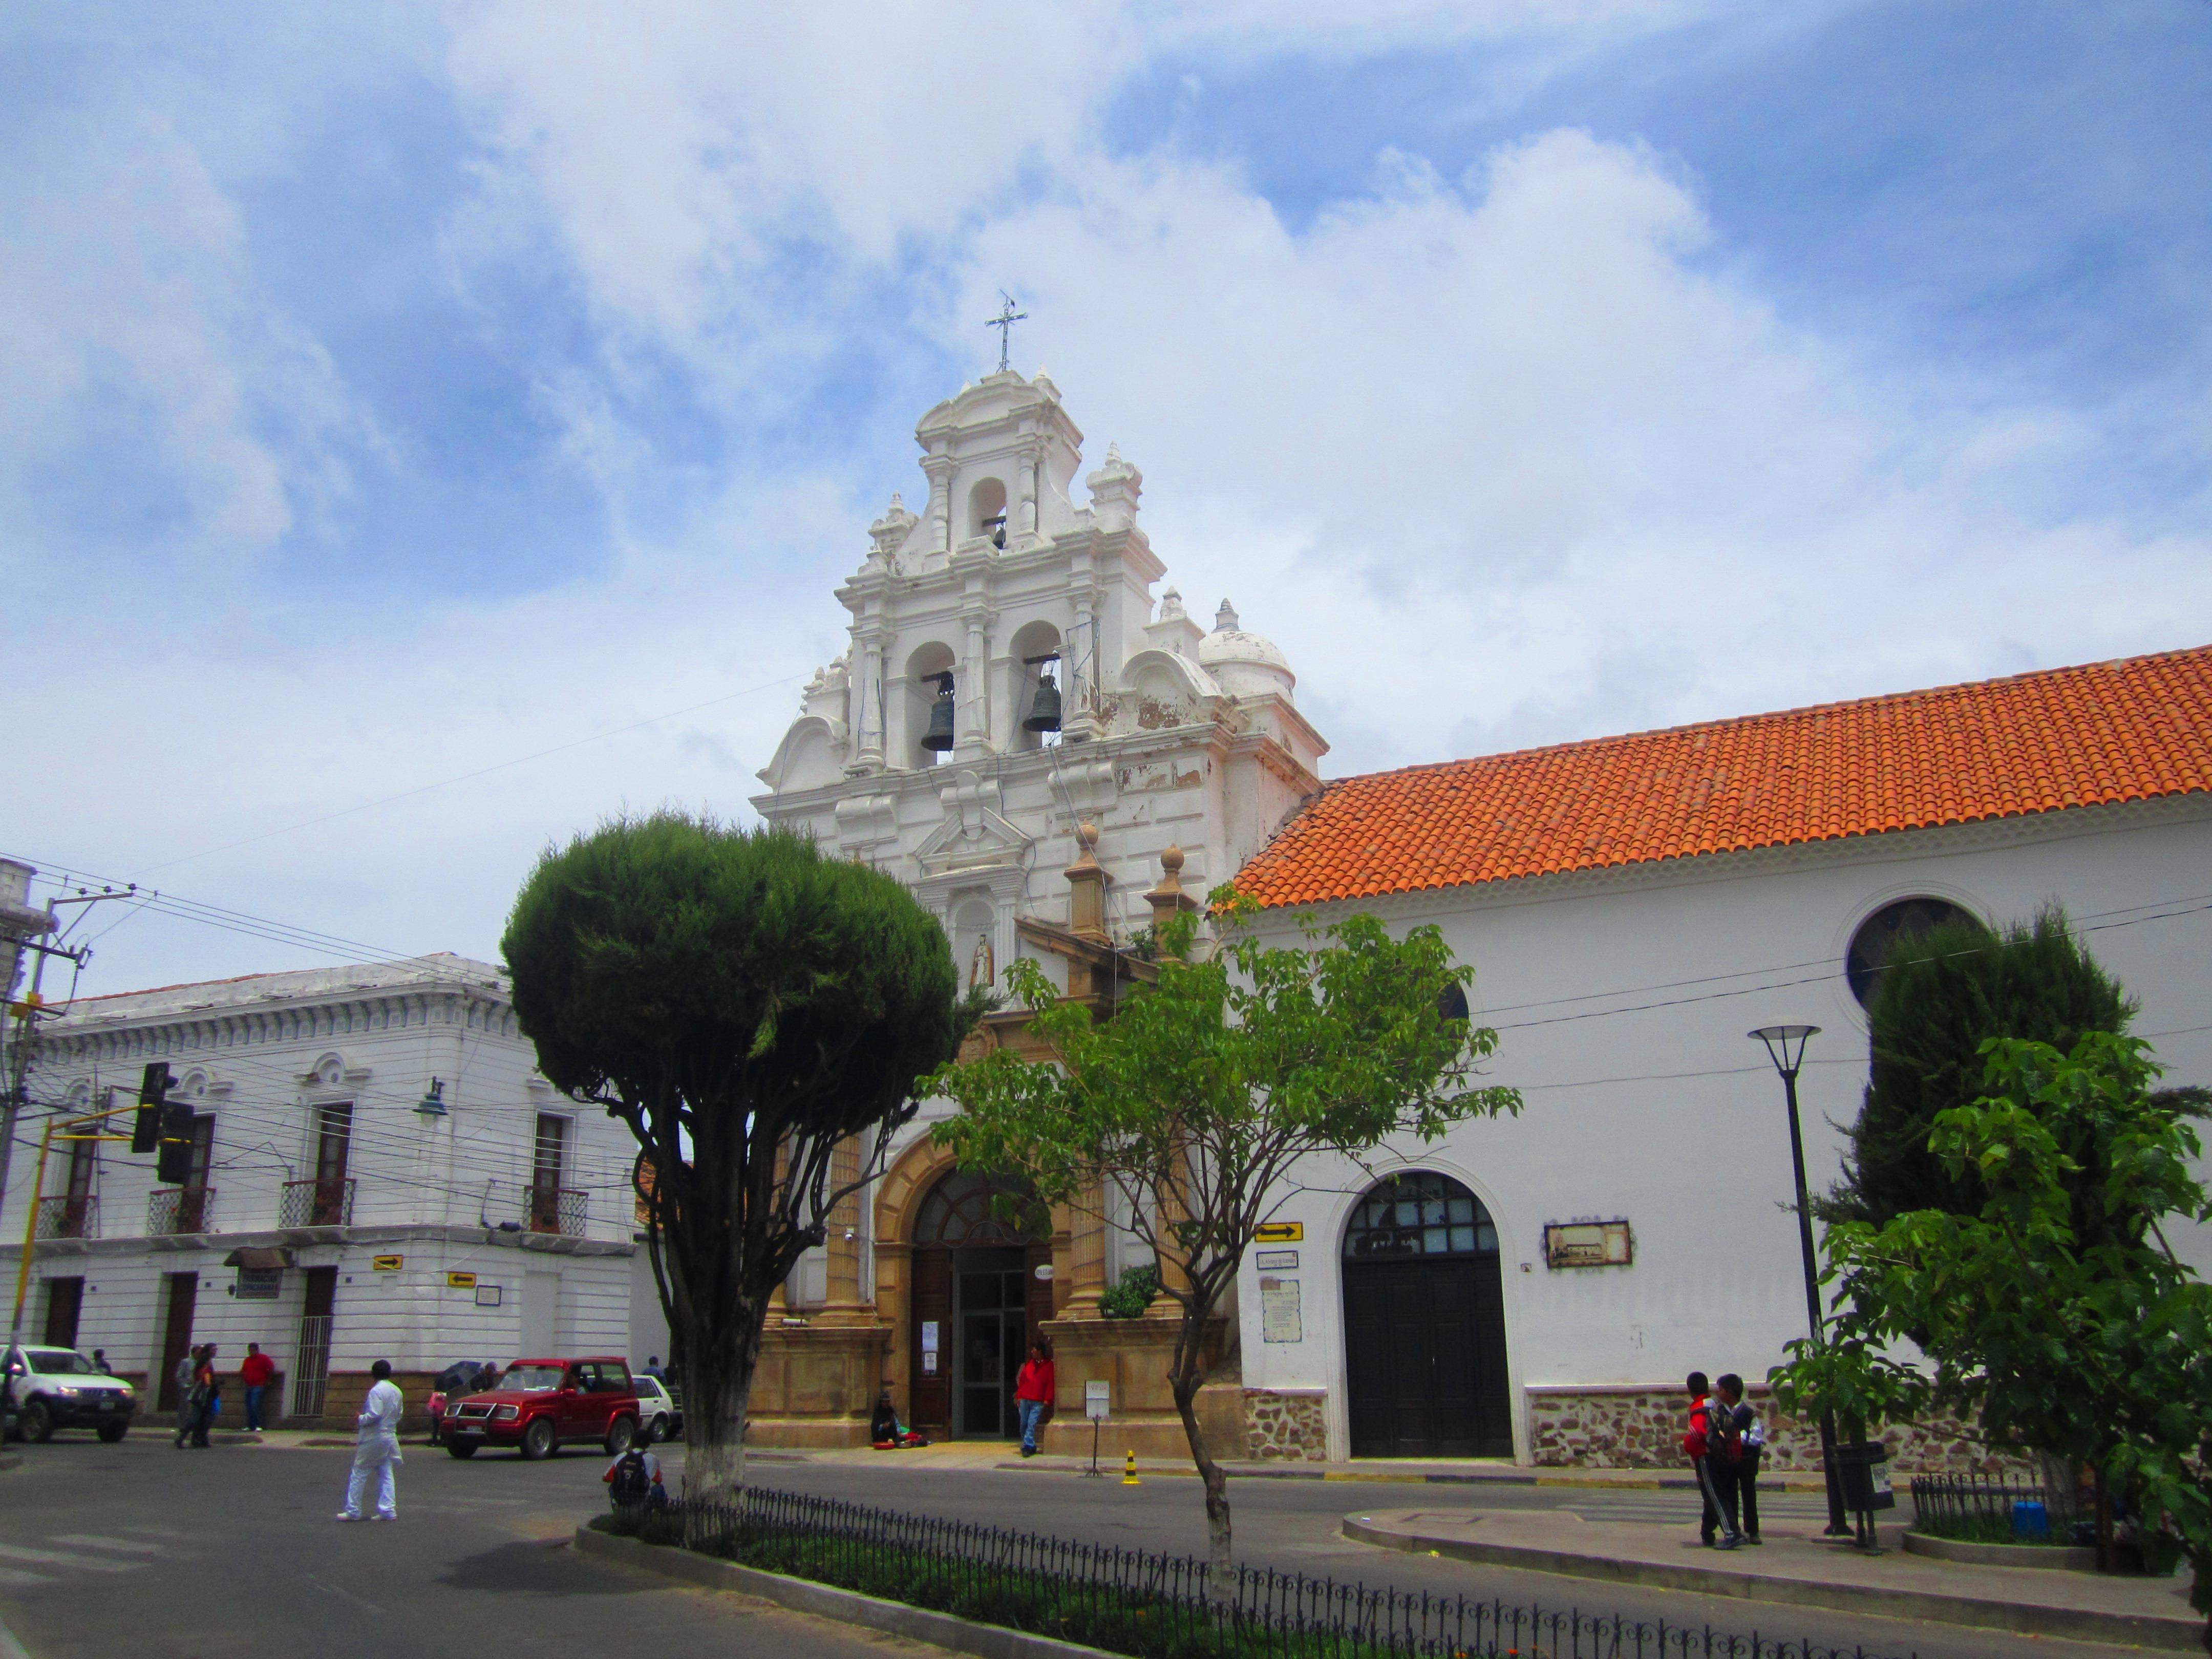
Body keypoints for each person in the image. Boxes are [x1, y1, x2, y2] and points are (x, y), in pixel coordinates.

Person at [1679, 1370, 1740, 1549]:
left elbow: (1697, 1432)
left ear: (1690, 1390)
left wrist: (1687, 1446)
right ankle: (1707, 1532)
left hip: (1705, 1456)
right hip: (1720, 1455)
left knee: (1714, 1495)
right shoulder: (1714, 1404)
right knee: (1712, 1494)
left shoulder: (1699, 1408)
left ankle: (1731, 1532)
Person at [338, 1359, 404, 1522]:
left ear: (373, 1374)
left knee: (359, 1471)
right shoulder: (397, 1391)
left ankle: (353, 1510)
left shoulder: (376, 1391)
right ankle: (388, 1509)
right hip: (389, 1434)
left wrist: (361, 1419)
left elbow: (375, 1414)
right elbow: (399, 1414)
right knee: (386, 1471)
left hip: (374, 1436)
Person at [1716, 1374, 1764, 1545]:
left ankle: (1753, 1530)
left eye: (1721, 1389)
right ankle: (1733, 1530)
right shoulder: (1720, 1413)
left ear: (1729, 1392)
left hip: (1746, 1460)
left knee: (1749, 1495)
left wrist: (1736, 1438)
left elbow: (1756, 1437)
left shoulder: (1748, 1413)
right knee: (1730, 1495)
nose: (1718, 1393)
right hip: (1728, 1460)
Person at [1013, 1337, 1055, 1458]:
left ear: (1040, 1351)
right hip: (1025, 1399)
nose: (1032, 1352)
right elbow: (1023, 1382)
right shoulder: (1029, 1365)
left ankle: (1027, 1446)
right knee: (1024, 1424)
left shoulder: (1048, 1365)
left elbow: (1050, 1383)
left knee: (1032, 1423)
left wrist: (1048, 1398)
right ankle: (1030, 1444)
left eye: (1034, 1349)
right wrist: (1019, 1396)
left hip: (1038, 1400)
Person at [604, 1442, 668, 1509]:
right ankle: (659, 1513)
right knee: (659, 1488)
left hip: (621, 1498)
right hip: (641, 1501)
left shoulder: (621, 1456)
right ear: (647, 1444)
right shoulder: (651, 1458)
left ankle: (617, 1508)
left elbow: (606, 1478)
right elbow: (658, 1480)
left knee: (612, 1487)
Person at [240, 1343, 275, 1433]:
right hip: (249, 1385)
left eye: (253, 1350)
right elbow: (244, 1371)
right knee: (249, 1406)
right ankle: (250, 1425)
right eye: (250, 1351)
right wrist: (244, 1381)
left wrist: (269, 1380)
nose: (251, 1352)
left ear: (257, 1350)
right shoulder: (247, 1360)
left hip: (259, 1385)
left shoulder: (263, 1358)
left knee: (255, 1404)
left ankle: (258, 1425)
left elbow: (271, 1368)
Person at [189, 1345, 221, 1447]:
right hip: (205, 1393)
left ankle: (200, 1438)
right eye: (213, 1349)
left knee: (203, 1416)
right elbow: (206, 1378)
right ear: (208, 1351)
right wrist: (212, 1384)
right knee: (205, 1416)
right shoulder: (206, 1362)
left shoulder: (207, 1361)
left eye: (216, 1349)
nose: (215, 1351)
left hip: (206, 1393)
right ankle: (199, 1438)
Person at [172, 1347, 201, 1448]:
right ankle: (181, 1430)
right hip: (187, 1389)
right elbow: (179, 1375)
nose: (199, 1355)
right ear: (193, 1353)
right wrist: (184, 1385)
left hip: (196, 1389)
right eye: (198, 1353)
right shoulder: (186, 1362)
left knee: (193, 1412)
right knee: (184, 1410)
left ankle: (188, 1434)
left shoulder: (201, 1363)